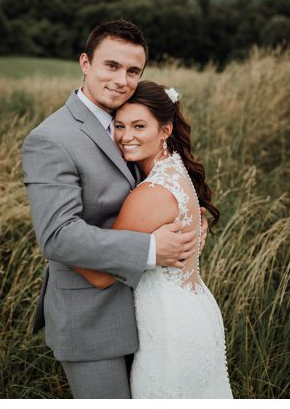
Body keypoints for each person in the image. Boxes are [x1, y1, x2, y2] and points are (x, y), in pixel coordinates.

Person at [23, 20, 198, 398]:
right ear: (85, 63)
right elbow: (57, 236)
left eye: (133, 71)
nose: (121, 80)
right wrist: (151, 249)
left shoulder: (129, 123)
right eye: (112, 66)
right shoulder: (51, 138)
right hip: (90, 317)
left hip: (146, 313)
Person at [72, 81, 232, 398]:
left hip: (168, 325)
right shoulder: (176, 171)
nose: (125, 136)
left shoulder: (151, 193)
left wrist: (59, 238)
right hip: (194, 310)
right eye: (119, 125)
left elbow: (101, 274)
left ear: (165, 129)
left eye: (139, 126)